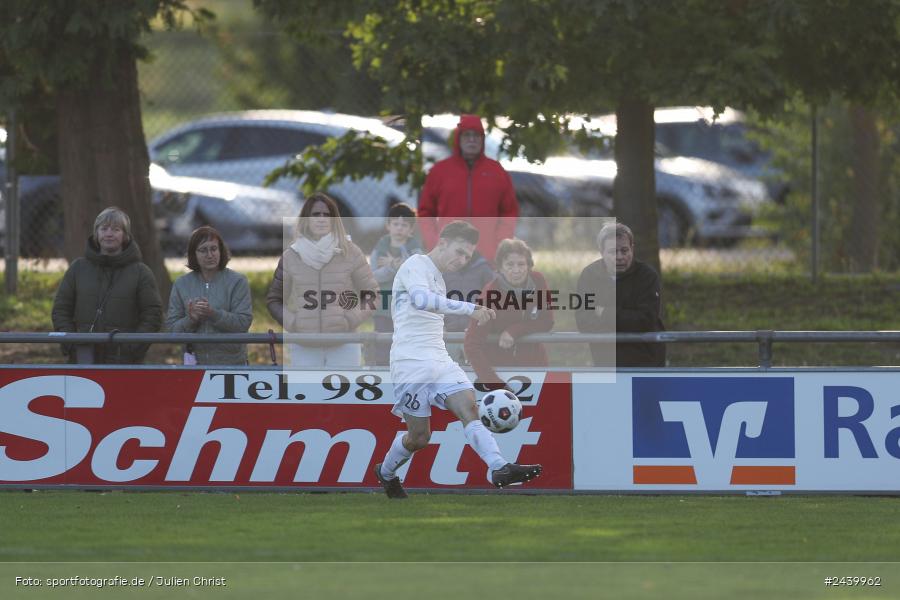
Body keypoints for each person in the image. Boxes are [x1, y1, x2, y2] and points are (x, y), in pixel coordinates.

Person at [373, 220, 543, 499]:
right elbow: (421, 300)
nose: (463, 260)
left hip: (439, 358)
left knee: (470, 408)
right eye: (460, 252)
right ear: (442, 243)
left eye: (468, 256)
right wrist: (470, 308)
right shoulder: (415, 264)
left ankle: (498, 467)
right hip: (409, 362)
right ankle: (387, 472)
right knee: (419, 438)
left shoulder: (439, 278)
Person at [267, 192, 378, 367]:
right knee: (306, 386)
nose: (321, 219)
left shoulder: (351, 252)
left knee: (344, 386)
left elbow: (373, 295)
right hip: (304, 345)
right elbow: (274, 300)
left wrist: (349, 320)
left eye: (327, 215)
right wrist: (294, 323)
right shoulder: (291, 256)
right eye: (315, 214)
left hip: (344, 344)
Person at [51, 206, 162, 364]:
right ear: (96, 233)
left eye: (116, 229)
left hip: (124, 360)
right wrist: (71, 344)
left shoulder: (141, 273)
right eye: (104, 229)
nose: (109, 234)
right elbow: (61, 309)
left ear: (125, 235)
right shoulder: (78, 268)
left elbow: (153, 315)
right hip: (83, 356)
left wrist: (133, 348)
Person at [417, 114, 518, 263]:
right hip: (448, 257)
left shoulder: (497, 172)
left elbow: (509, 212)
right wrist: (434, 243)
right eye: (467, 135)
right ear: (458, 138)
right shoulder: (440, 171)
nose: (472, 139)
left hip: (487, 256)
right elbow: (426, 212)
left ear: (482, 139)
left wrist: (500, 245)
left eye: (476, 135)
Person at [464, 239, 554, 390]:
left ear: (529, 265)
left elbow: (547, 321)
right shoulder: (489, 295)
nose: (516, 270)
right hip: (500, 371)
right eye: (510, 265)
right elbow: (471, 345)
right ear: (500, 268)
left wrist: (514, 331)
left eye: (521, 264)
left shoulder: (538, 281)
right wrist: (495, 384)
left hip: (536, 367)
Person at [575, 222, 666, 368]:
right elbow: (583, 321)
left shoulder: (647, 276)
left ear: (632, 249)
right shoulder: (589, 276)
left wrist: (604, 312)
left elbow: (645, 320)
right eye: (613, 252)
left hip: (645, 360)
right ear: (601, 252)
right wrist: (626, 319)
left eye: (624, 250)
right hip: (605, 360)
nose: (619, 257)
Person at [165, 226, 253, 365]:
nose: (210, 255)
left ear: (221, 251)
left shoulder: (237, 281)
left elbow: (243, 323)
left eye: (214, 249)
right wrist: (191, 319)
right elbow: (172, 330)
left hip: (231, 363)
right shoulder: (181, 284)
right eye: (203, 250)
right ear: (193, 254)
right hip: (195, 364)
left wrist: (213, 314)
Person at [368, 202, 424, 366]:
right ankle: (382, 370)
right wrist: (395, 267)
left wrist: (391, 265)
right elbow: (373, 276)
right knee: (382, 346)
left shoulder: (415, 248)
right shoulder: (380, 248)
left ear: (411, 229)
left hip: (407, 308)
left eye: (404, 225)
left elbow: (416, 273)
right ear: (388, 225)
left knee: (406, 345)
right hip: (383, 307)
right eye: (396, 224)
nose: (399, 228)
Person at [442, 247, 495, 363]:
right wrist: (441, 324)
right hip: (449, 333)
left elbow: (492, 300)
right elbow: (438, 299)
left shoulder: (484, 269)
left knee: (475, 370)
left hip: (474, 334)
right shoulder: (445, 270)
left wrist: (479, 326)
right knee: (450, 370)